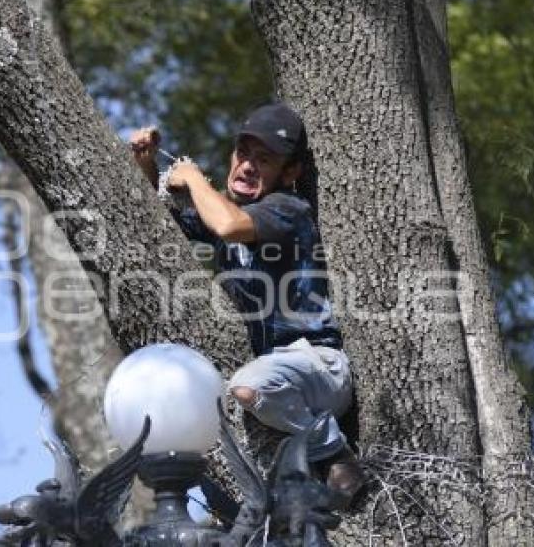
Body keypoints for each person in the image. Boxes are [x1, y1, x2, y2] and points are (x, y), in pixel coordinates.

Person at [129, 103, 364, 503]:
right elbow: (156, 219)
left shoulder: (287, 209)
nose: (248, 166)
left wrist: (191, 179)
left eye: (265, 159)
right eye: (243, 153)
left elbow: (229, 226)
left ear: (290, 174)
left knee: (249, 384)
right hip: (279, 374)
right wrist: (147, 162)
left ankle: (334, 452)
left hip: (317, 367)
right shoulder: (232, 208)